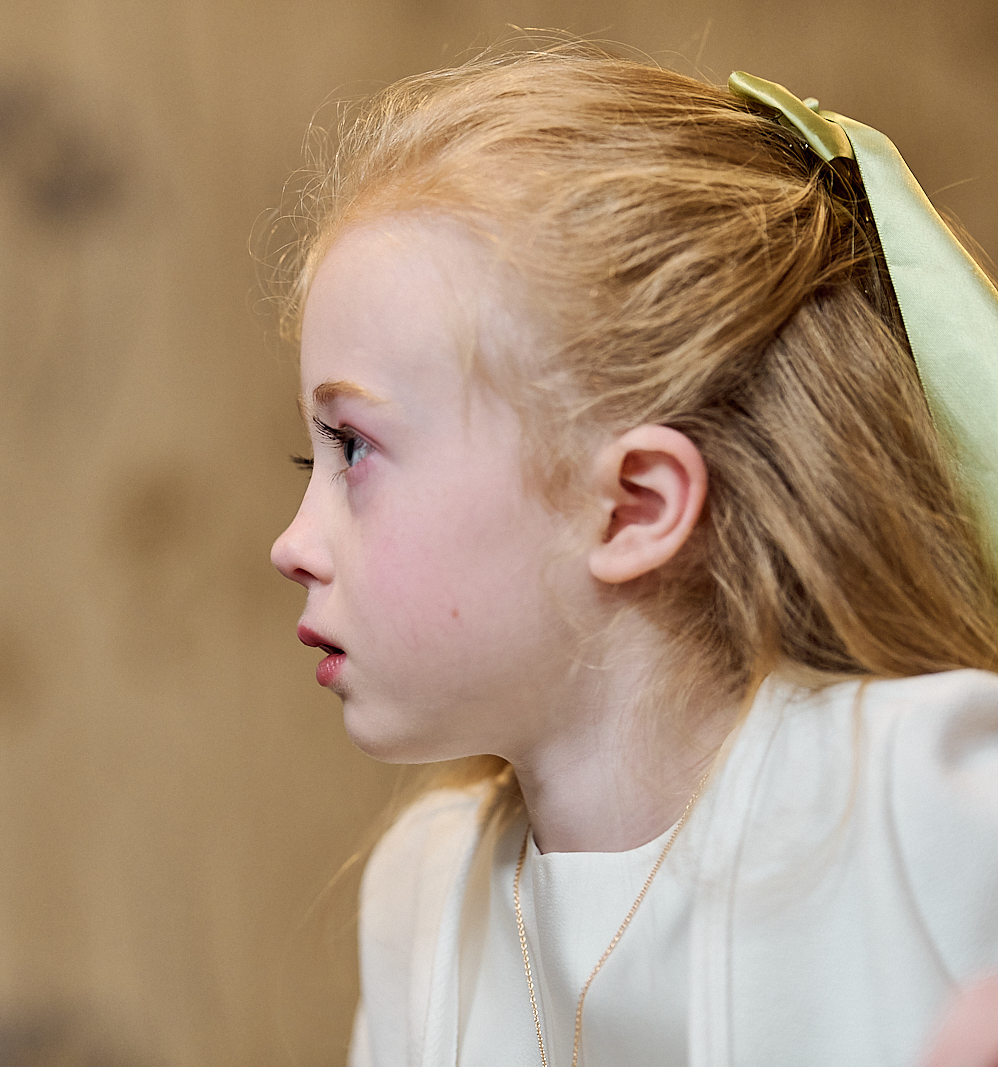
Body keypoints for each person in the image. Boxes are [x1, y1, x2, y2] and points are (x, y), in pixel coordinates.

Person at [267, 47, 998, 1067]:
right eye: (315, 456)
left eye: (354, 448)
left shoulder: (928, 796)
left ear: (631, 508)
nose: (291, 545)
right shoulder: (420, 896)